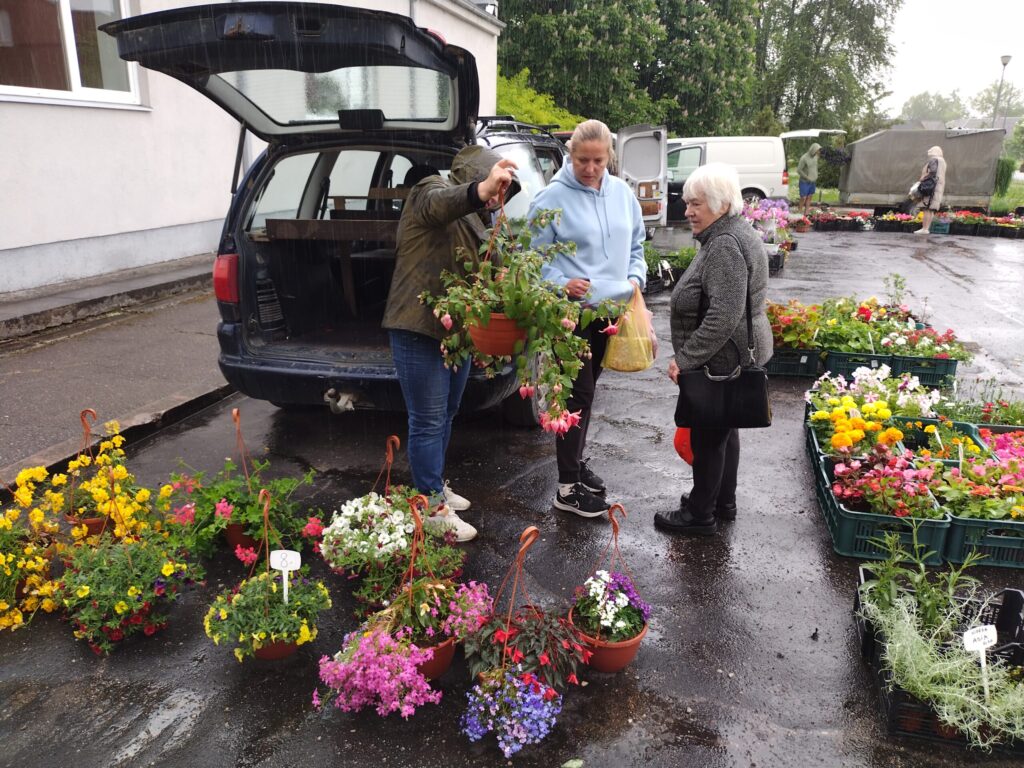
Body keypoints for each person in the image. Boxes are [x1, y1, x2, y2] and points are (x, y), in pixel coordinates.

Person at [382, 145, 519, 542]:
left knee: (447, 411)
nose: (498, 199)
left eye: (502, 193)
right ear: (474, 176)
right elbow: (441, 204)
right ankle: (429, 507)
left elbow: (484, 270)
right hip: (417, 327)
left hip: (457, 335)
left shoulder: (481, 221)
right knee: (426, 419)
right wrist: (481, 189)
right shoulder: (429, 190)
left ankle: (435, 485)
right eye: (496, 188)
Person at [527, 119, 647, 518]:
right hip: (569, 316)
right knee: (577, 396)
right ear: (570, 155)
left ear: (609, 157)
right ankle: (566, 488)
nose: (591, 168)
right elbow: (529, 260)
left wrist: (635, 277)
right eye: (583, 160)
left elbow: (636, 244)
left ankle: (575, 464)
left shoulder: (622, 194)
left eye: (599, 160)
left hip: (610, 313)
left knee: (588, 392)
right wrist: (560, 282)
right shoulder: (550, 199)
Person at [655, 163, 772, 536]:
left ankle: (700, 514)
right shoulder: (734, 231)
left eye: (696, 204)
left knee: (708, 436)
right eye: (687, 202)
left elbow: (724, 315)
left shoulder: (724, 244)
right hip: (736, 355)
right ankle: (723, 502)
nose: (688, 211)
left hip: (724, 360)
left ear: (721, 205)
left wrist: (684, 359)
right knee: (724, 431)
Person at [915, 146, 947, 235]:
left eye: (931, 150)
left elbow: (932, 171)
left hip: (930, 188)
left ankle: (924, 229)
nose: (929, 152)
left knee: (927, 208)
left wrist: (924, 177)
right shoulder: (942, 161)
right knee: (931, 209)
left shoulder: (934, 160)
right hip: (937, 187)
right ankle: (926, 228)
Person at [796, 142, 821, 218]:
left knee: (810, 196)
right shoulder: (804, 158)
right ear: (813, 150)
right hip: (804, 182)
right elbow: (799, 170)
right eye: (818, 150)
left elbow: (814, 167)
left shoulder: (816, 157)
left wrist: (815, 175)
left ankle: (806, 214)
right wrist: (807, 177)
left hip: (812, 182)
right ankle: (799, 213)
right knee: (803, 197)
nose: (819, 152)